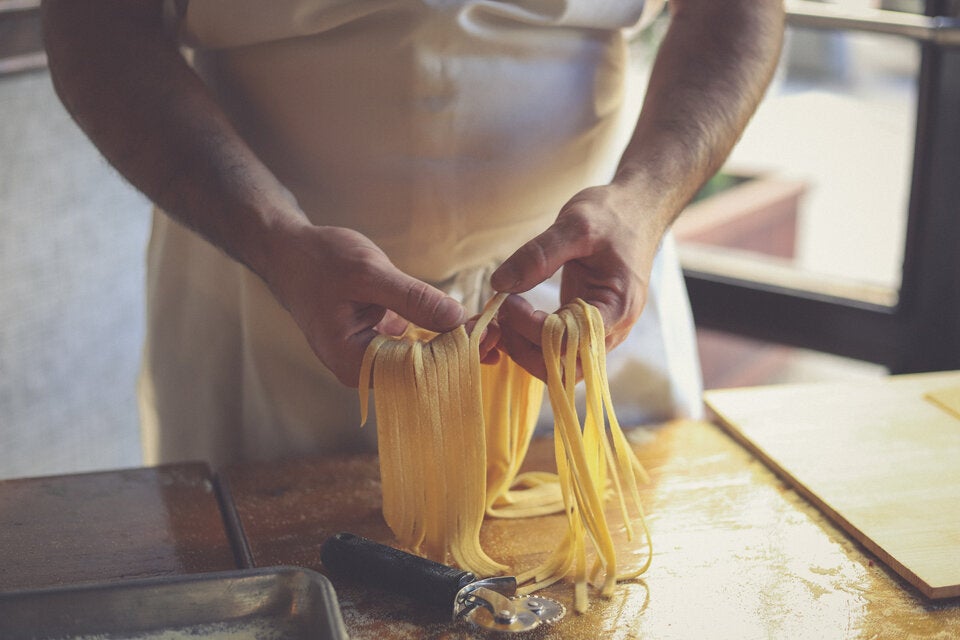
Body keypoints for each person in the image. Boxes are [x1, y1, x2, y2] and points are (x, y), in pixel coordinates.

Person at [42, 0, 784, 469]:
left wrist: (645, 203)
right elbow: (94, 20)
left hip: (581, 303)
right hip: (265, 297)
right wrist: (272, 237)